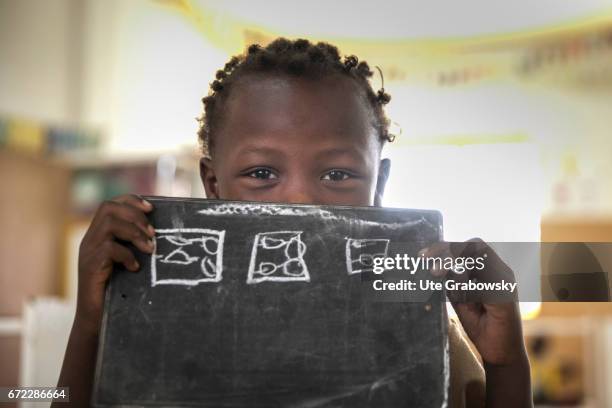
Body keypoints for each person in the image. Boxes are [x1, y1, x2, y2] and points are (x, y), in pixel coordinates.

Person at [55, 38, 532, 408]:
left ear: (379, 184)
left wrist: (507, 361)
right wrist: (90, 326)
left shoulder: (416, 316)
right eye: (262, 173)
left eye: (338, 174)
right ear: (213, 184)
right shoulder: (157, 308)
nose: (301, 199)